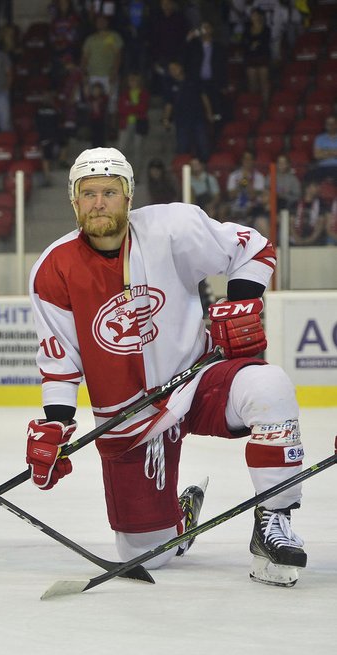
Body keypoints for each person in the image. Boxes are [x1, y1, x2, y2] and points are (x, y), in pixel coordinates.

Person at [27, 147, 308, 587]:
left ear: (129, 196)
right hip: (129, 416)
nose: (99, 202)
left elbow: (254, 247)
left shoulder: (173, 227)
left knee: (269, 386)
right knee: (146, 554)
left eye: (109, 192)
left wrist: (240, 301)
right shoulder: (53, 268)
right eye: (88, 193)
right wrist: (56, 424)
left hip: (197, 380)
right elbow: (60, 360)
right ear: (74, 201)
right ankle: (180, 519)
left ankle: (273, 520)